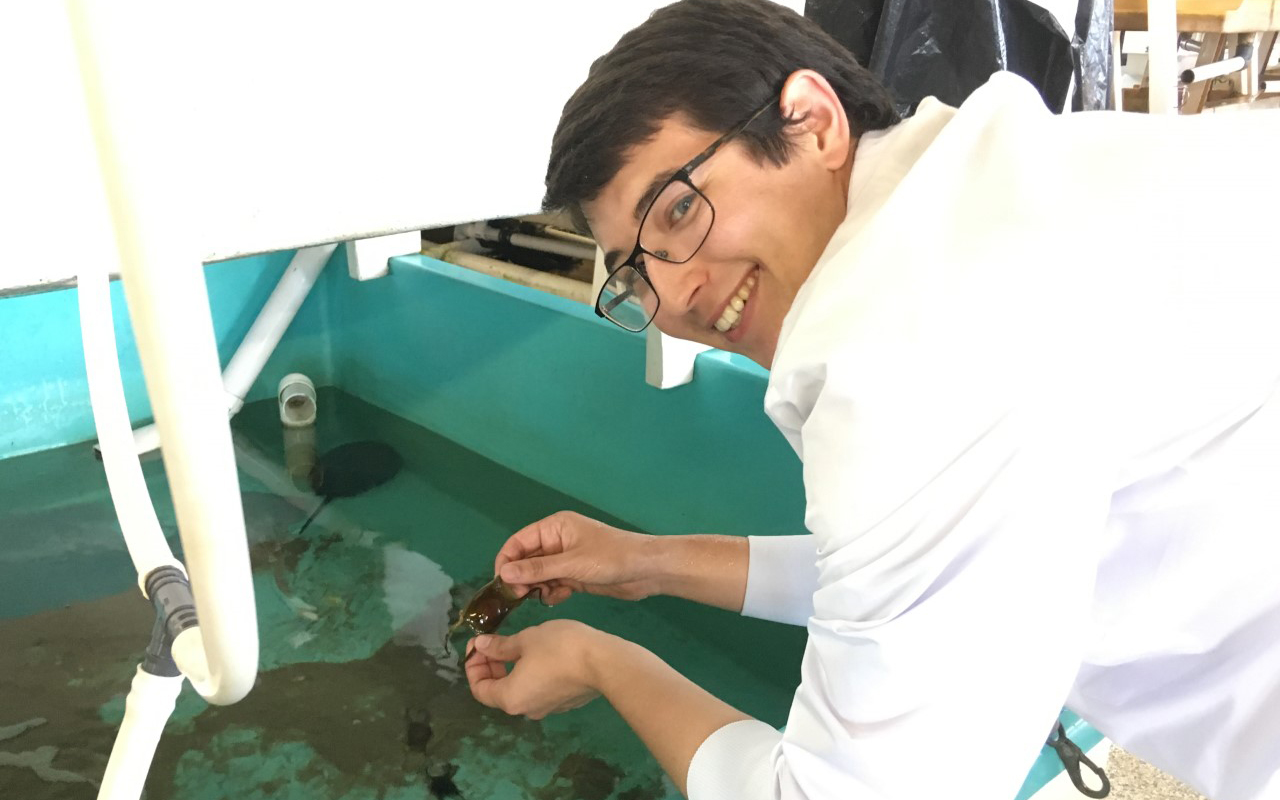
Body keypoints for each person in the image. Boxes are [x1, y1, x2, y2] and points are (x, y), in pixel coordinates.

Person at [462, 1, 1280, 798]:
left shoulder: (904, 351)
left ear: (813, 120)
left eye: (679, 208)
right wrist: (644, 563)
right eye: (637, 272)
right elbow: (916, 562)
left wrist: (607, 662)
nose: (674, 297)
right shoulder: (993, 179)